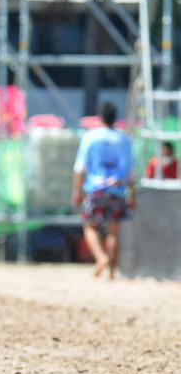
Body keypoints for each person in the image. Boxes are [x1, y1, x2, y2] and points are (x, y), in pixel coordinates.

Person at [72, 102, 135, 279]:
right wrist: (132, 194)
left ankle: (101, 257)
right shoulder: (124, 140)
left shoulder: (90, 137)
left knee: (90, 227)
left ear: (100, 117)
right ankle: (113, 272)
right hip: (117, 190)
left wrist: (77, 192)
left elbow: (79, 168)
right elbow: (130, 172)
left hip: (95, 189)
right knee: (113, 232)